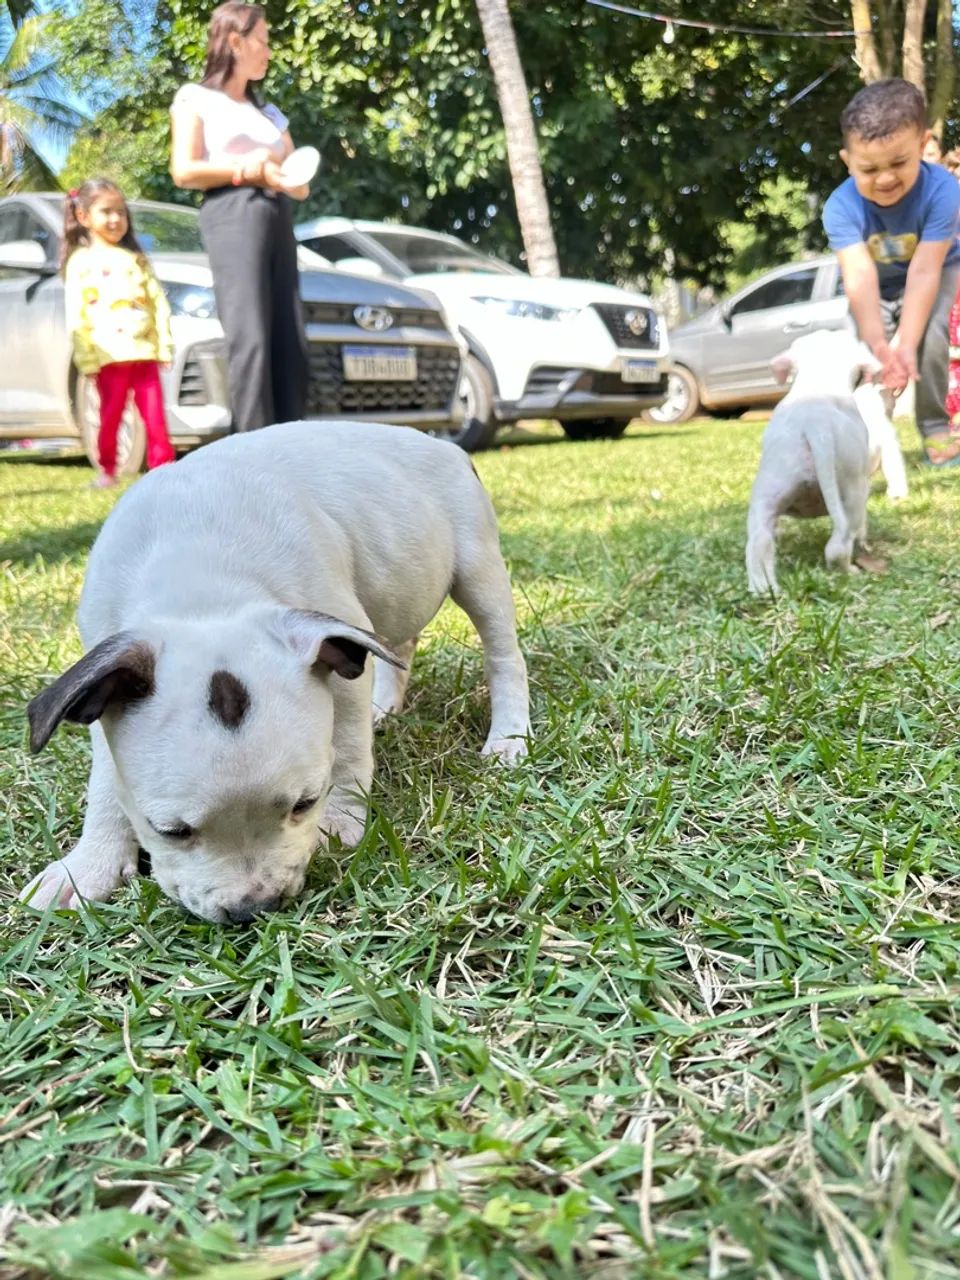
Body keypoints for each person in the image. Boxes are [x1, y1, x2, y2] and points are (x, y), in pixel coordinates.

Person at [169, 1, 311, 433]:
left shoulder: (269, 114)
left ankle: (292, 443)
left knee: (291, 337)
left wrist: (288, 177)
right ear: (235, 41)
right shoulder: (197, 98)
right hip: (232, 211)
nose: (269, 52)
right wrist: (244, 169)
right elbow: (183, 170)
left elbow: (297, 177)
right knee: (250, 336)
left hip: (276, 211)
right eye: (262, 42)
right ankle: (250, 448)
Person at [822, 79, 960, 466]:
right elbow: (859, 278)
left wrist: (905, 343)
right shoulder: (839, 207)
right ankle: (867, 435)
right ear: (848, 161)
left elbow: (924, 272)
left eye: (899, 163)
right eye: (868, 169)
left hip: (938, 270)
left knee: (931, 337)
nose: (885, 179)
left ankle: (935, 430)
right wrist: (882, 347)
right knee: (862, 350)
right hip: (876, 282)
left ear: (923, 146)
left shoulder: (944, 192)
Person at [62, 179, 176, 487]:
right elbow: (76, 314)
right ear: (84, 217)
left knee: (154, 417)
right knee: (110, 416)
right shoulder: (80, 263)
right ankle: (108, 469)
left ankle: (163, 468)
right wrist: (86, 360)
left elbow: (158, 305)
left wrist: (164, 345)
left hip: (144, 354)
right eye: (107, 212)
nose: (115, 219)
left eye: (121, 212)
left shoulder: (135, 259)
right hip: (107, 357)